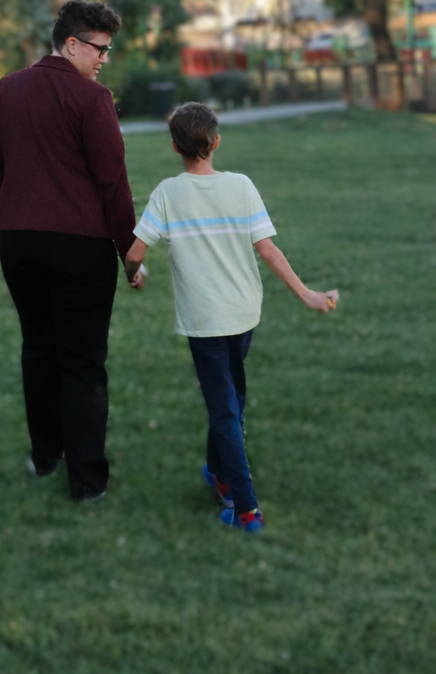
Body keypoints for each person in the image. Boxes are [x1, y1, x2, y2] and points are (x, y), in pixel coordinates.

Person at [125, 101, 339, 534]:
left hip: (205, 322)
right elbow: (269, 250)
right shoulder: (241, 185)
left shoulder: (167, 193)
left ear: (174, 146)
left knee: (226, 408)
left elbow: (134, 253)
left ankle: (244, 508)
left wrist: (136, 275)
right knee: (229, 402)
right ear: (216, 142)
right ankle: (222, 477)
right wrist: (307, 295)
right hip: (244, 314)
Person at [0, 0, 137, 503]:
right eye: (99, 49)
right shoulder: (92, 100)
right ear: (71, 44)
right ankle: (87, 481)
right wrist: (129, 252)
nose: (103, 60)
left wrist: (9, 214)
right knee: (83, 361)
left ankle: (45, 455)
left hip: (19, 245)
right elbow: (112, 182)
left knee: (39, 349)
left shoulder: (9, 88)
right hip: (80, 248)